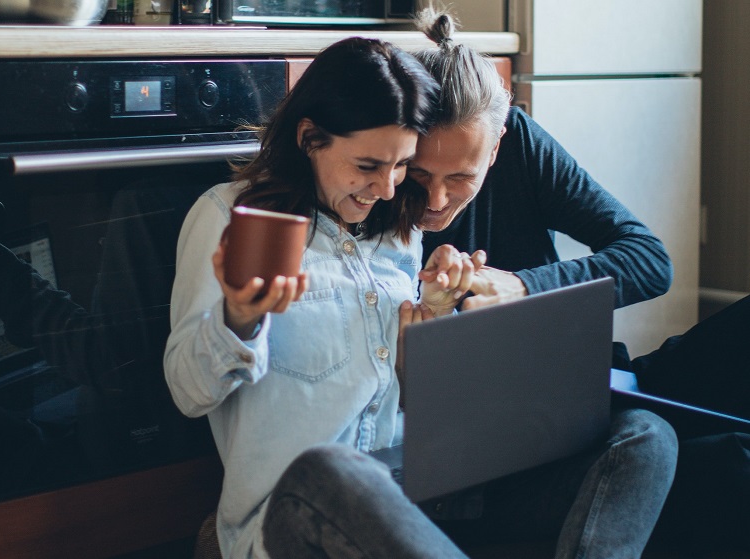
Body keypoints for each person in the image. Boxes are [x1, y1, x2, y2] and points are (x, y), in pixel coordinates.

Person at [164, 34, 678, 559]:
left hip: (418, 494)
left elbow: (388, 406)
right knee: (332, 471)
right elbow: (188, 392)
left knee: (645, 436)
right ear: (310, 139)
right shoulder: (236, 219)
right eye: (368, 166)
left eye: (400, 166)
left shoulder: (398, 231)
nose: (390, 189)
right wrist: (238, 320)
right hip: (304, 509)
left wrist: (428, 348)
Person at [405, 7, 749, 554]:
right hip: (521, 432)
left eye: (461, 178)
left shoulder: (518, 142)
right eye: (418, 175)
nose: (436, 200)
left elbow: (648, 258)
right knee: (730, 460)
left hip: (600, 384)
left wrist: (521, 288)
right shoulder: (375, 181)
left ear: (495, 149)